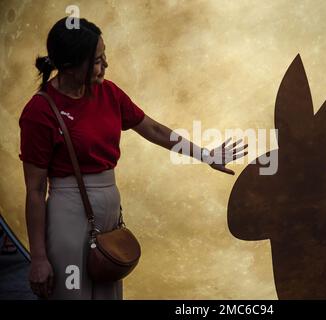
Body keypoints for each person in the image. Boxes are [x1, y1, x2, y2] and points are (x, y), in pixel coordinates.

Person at [19, 17, 247, 300]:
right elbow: (36, 190)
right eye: (98, 60)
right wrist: (38, 257)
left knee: (108, 291)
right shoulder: (40, 111)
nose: (105, 66)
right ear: (69, 66)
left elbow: (152, 128)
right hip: (69, 213)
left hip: (110, 209)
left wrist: (205, 155)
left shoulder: (109, 93)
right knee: (72, 291)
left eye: (105, 56)